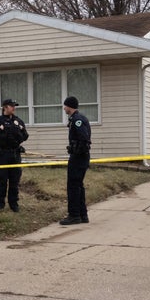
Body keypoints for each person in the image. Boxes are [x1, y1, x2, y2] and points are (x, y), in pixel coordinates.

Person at [0, 99, 29, 212]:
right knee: (2, 180)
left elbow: (25, 136)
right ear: (5, 107)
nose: (14, 108)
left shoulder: (18, 121)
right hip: (3, 155)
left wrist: (21, 130)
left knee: (14, 181)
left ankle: (14, 204)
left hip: (15, 154)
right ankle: (0, 204)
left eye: (15, 106)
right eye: (12, 106)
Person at [60, 96, 92, 225]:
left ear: (69, 106)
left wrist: (76, 149)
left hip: (79, 157)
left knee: (73, 185)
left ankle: (74, 215)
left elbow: (84, 138)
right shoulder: (78, 118)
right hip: (80, 156)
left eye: (65, 106)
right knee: (78, 185)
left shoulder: (77, 120)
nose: (64, 108)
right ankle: (82, 215)